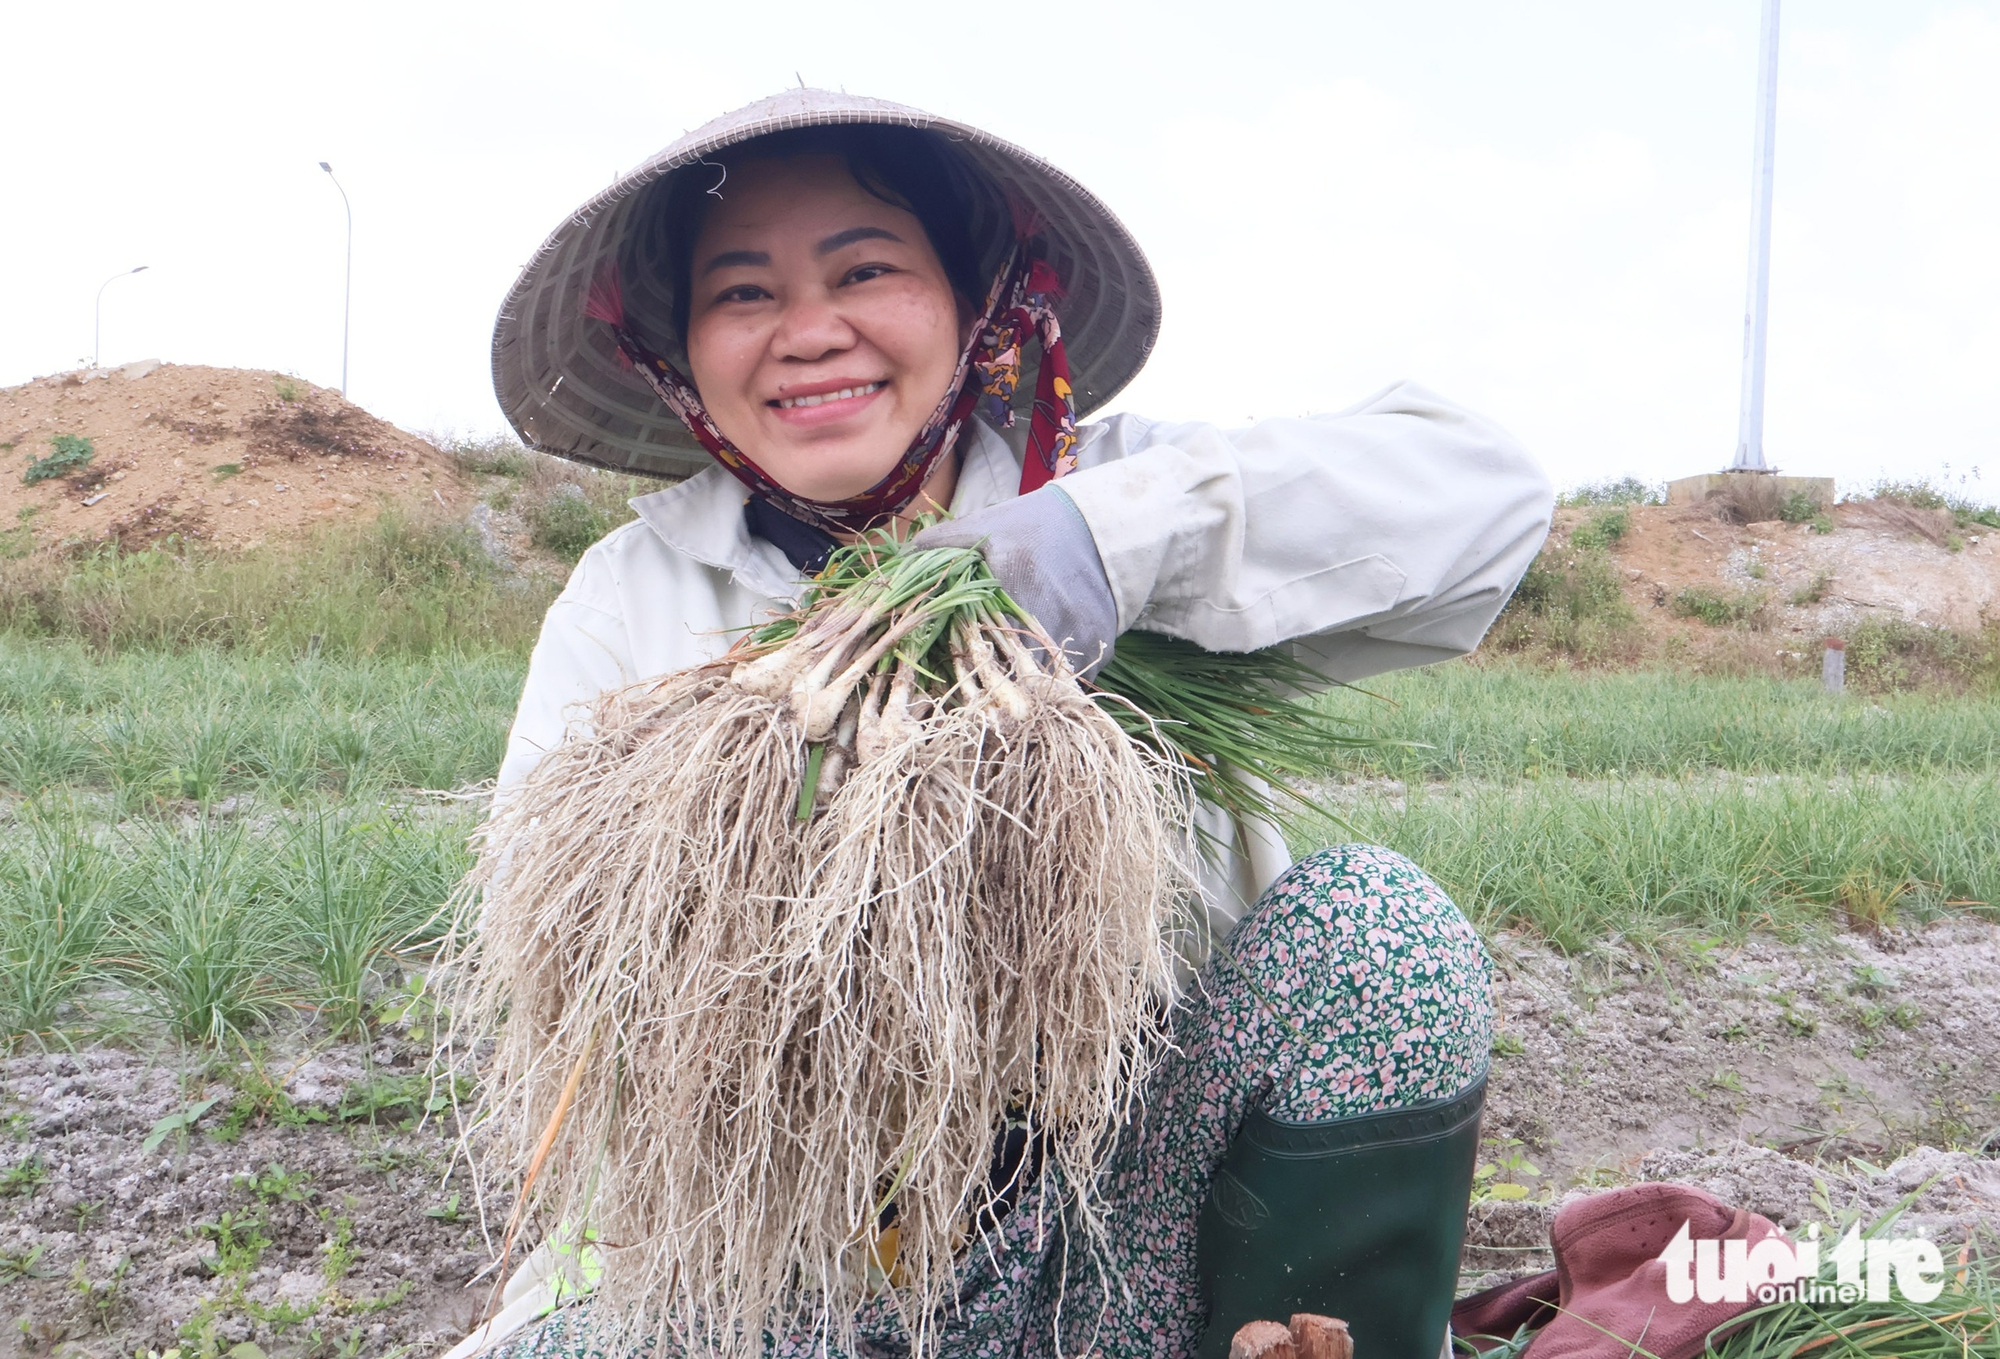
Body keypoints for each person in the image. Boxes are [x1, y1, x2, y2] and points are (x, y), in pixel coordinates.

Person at [475, 88, 1552, 1359]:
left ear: (977, 300)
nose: (809, 332)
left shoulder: (1109, 486)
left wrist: (1109, 543)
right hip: (789, 1278)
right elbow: (565, 976)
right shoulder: (630, 599)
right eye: (742, 292)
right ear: (682, 350)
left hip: (1121, 1233)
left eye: (864, 269)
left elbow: (1488, 502)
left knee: (1381, 936)